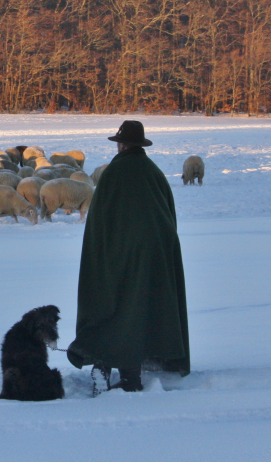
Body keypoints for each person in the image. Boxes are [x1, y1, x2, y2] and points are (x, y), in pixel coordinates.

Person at [66, 120, 190, 393]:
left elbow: (100, 221)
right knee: (141, 308)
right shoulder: (153, 172)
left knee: (110, 305)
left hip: (118, 254)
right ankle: (131, 374)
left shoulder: (114, 172)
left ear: (121, 144)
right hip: (155, 254)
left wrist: (101, 255)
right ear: (141, 144)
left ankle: (105, 366)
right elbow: (167, 215)